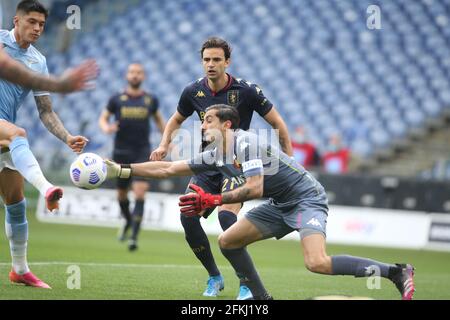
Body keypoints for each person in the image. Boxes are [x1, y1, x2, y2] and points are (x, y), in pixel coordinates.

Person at [106, 105, 416, 300]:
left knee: (316, 263)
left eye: (209, 120)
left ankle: (395, 272)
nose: (202, 126)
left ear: (227, 124)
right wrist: (123, 169)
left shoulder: (246, 143)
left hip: (306, 198)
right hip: (281, 203)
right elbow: (170, 168)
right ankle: (261, 299)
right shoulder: (216, 154)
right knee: (228, 241)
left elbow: (254, 189)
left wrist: (213, 198)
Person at [150, 37, 293, 299]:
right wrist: (163, 145)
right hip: (207, 163)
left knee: (227, 218)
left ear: (227, 62)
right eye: (206, 59)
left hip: (236, 164)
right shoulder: (193, 91)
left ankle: (246, 282)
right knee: (187, 215)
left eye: (217, 59)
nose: (211, 64)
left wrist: (289, 157)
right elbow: (175, 119)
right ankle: (214, 277)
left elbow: (277, 121)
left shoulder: (247, 90)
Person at [0, 0, 89, 289]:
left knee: (15, 204)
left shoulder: (39, 60)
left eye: (41, 24)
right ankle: (47, 187)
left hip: (3, 132)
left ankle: (20, 269)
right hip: (8, 132)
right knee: (18, 134)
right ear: (17, 21)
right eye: (32, 22)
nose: (37, 28)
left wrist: (67, 137)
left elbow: (46, 110)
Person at [99, 63, 165, 251]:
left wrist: (166, 142)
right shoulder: (116, 99)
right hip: (120, 152)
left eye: (138, 73)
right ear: (127, 75)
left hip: (142, 152)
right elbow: (103, 118)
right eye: (132, 72)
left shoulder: (151, 100)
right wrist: (106, 128)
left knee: (140, 192)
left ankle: (134, 237)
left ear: (143, 76)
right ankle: (128, 221)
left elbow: (160, 121)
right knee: (121, 195)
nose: (135, 75)